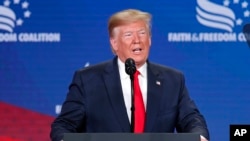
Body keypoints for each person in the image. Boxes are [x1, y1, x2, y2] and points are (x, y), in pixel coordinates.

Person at [50, 9, 209, 141]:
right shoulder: (88, 80)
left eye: (142, 33)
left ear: (150, 39)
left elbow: (191, 119)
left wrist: (199, 137)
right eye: (128, 35)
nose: (137, 40)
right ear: (114, 43)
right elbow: (64, 125)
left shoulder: (173, 80)